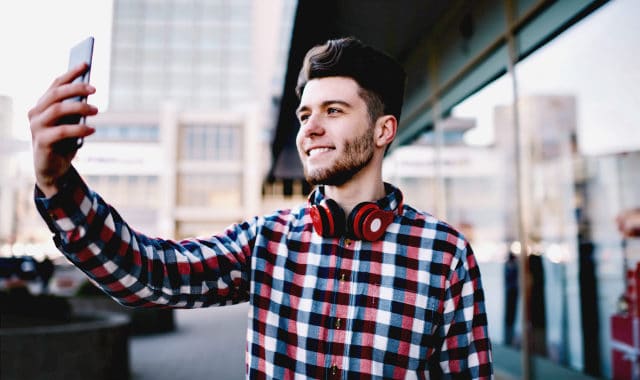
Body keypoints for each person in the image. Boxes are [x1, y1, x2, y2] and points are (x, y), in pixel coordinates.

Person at [29, 37, 493, 379]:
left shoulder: (444, 253)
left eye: (333, 111)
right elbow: (151, 275)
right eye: (305, 114)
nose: (310, 128)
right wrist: (57, 185)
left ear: (383, 130)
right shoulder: (267, 240)